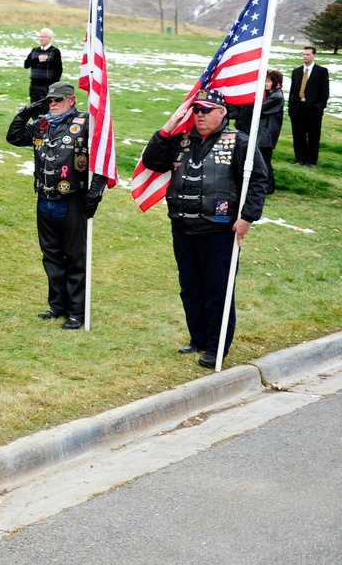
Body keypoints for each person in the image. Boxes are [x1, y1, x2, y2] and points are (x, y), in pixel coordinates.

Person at [140, 88, 268, 369]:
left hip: (218, 233)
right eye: (197, 110)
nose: (200, 115)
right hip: (184, 229)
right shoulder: (182, 140)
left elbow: (259, 181)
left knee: (217, 290)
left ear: (221, 113)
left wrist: (247, 217)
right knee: (191, 288)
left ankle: (216, 346)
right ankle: (198, 339)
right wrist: (169, 127)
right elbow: (151, 161)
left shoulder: (240, 142)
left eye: (206, 110)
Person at [6, 82, 107, 329]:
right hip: (45, 198)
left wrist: (95, 192)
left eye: (58, 100)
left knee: (74, 257)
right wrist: (27, 111)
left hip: (71, 199)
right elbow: (14, 137)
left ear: (71, 100)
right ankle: (57, 305)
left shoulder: (85, 123)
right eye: (50, 100)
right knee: (51, 255)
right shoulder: (42, 124)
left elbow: (103, 156)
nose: (53, 104)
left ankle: (76, 311)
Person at [230, 69, 284, 195]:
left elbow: (260, 107)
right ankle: (268, 185)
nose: (265, 84)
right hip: (264, 133)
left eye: (268, 81)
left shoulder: (276, 96)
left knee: (265, 161)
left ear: (275, 83)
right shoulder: (273, 95)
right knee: (264, 159)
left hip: (266, 134)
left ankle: (268, 186)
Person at [287, 46, 329, 167]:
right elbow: (292, 91)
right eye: (304, 54)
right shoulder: (297, 71)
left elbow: (324, 92)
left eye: (308, 54)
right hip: (298, 108)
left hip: (313, 108)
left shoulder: (321, 71)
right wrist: (291, 106)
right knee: (298, 134)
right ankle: (300, 159)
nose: (305, 56)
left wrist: (319, 106)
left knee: (313, 135)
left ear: (314, 55)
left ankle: (311, 161)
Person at [23, 28, 63, 103]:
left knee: (45, 108)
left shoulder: (55, 51)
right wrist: (37, 59)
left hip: (46, 86)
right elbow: (26, 64)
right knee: (34, 109)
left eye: (44, 37)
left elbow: (58, 70)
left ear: (50, 38)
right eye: (40, 37)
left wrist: (52, 86)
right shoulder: (35, 50)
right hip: (34, 85)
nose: (41, 39)